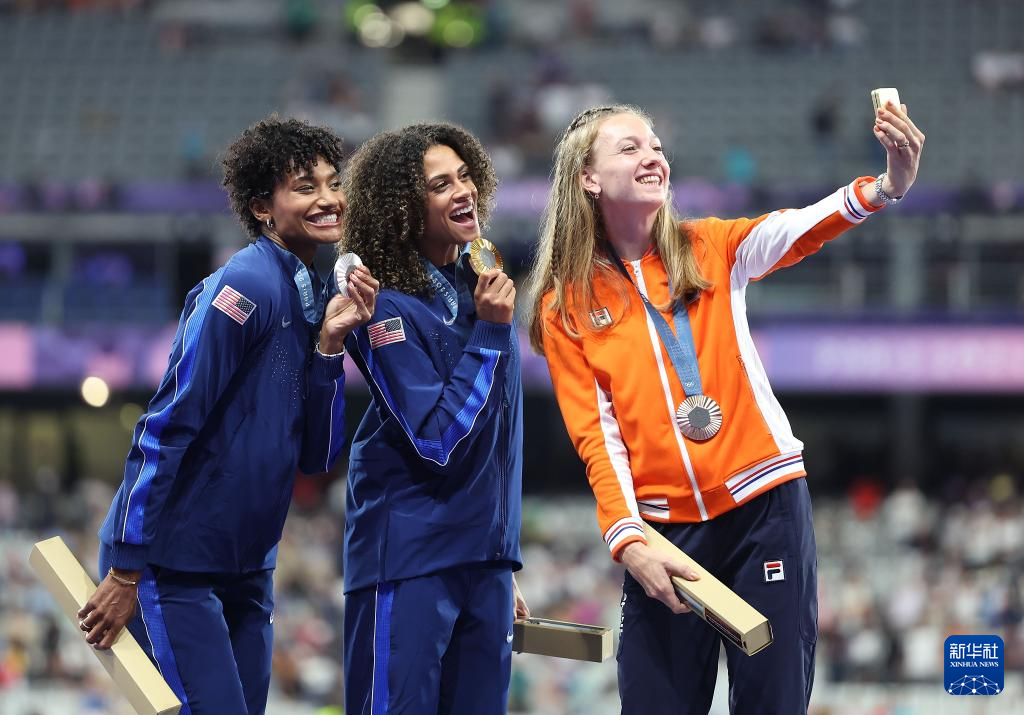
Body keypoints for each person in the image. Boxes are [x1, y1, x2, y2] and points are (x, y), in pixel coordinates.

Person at [527, 102, 923, 713]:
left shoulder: (710, 247)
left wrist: (884, 187)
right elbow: (596, 436)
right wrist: (629, 540)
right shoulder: (565, 305)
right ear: (588, 177)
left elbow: (798, 228)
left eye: (657, 146)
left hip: (765, 511)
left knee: (773, 703)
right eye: (630, 148)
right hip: (664, 534)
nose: (653, 157)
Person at [78, 116, 379, 714]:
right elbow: (167, 424)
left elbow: (317, 457)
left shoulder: (316, 295)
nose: (327, 198)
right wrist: (127, 567)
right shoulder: (243, 287)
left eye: (332, 181)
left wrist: (330, 349)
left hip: (249, 567)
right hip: (172, 564)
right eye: (305, 186)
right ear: (262, 207)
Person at [340, 122, 528, 715]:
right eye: (440, 184)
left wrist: (495, 555)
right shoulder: (380, 306)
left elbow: (495, 437)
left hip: (482, 560)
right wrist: (492, 334)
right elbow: (438, 438)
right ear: (402, 206)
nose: (463, 191)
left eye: (466, 176)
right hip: (411, 560)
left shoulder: (475, 286)